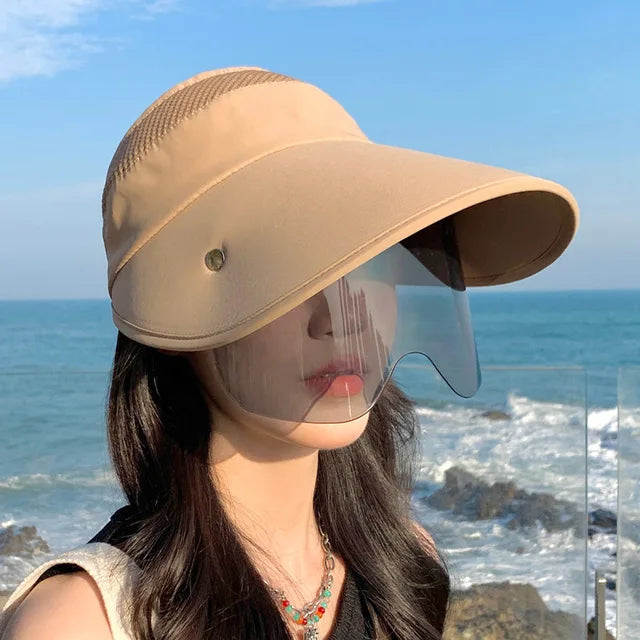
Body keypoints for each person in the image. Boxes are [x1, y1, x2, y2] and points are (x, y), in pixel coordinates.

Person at [0, 66, 579, 640]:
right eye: (286, 276)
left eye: (371, 263)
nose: (343, 319)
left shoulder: (404, 569)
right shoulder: (85, 622)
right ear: (177, 312)